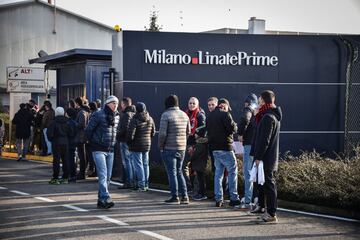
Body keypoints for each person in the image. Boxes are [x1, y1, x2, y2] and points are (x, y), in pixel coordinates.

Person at [252, 90, 282, 224]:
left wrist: (258, 157)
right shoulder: (268, 115)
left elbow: (265, 140)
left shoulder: (268, 117)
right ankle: (266, 210)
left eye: (259, 101)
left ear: (263, 101)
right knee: (264, 184)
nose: (257, 103)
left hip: (266, 158)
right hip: (267, 157)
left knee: (269, 184)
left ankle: (271, 213)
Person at [85, 95, 120, 209]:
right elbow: (89, 129)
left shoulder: (117, 116)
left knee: (108, 176)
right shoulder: (99, 114)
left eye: (117, 103)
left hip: (110, 149)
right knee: (103, 174)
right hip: (98, 148)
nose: (115, 105)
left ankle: (101, 200)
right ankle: (106, 197)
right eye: (113, 103)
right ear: (108, 103)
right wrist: (91, 141)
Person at [207, 98, 241, 207]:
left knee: (218, 174)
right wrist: (235, 125)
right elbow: (232, 129)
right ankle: (234, 198)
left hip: (214, 149)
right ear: (223, 105)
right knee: (232, 171)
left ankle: (218, 199)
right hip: (226, 147)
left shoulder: (210, 116)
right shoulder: (225, 114)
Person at [158, 95, 191, 205]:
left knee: (172, 173)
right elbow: (188, 131)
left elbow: (162, 134)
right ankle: (185, 196)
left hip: (169, 148)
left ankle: (175, 196)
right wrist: (183, 142)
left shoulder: (166, 115)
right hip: (181, 148)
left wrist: (161, 147)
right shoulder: (184, 115)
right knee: (179, 171)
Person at [127, 102, 155, 191]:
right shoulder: (150, 118)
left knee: (138, 165)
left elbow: (130, 134)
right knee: (145, 164)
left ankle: (141, 185)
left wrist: (129, 143)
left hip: (136, 145)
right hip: (147, 144)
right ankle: (146, 184)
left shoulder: (134, 119)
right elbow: (153, 132)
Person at [183, 97, 207, 200]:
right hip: (186, 144)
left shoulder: (200, 115)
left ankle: (197, 191)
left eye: (193, 103)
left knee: (197, 169)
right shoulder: (185, 114)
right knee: (184, 167)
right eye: (190, 103)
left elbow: (204, 127)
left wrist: (196, 134)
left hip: (196, 145)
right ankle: (189, 188)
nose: (191, 105)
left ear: (197, 104)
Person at [237, 93, 258, 209]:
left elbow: (245, 118)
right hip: (256, 145)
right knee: (257, 173)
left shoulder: (248, 109)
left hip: (249, 145)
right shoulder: (258, 112)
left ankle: (248, 200)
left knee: (248, 172)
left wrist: (240, 134)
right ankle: (257, 198)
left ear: (248, 102)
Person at [47, 107, 71, 184]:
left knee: (56, 160)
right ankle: (65, 177)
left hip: (56, 142)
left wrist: (52, 140)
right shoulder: (67, 121)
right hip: (66, 142)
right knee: (65, 160)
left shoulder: (53, 122)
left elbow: (49, 134)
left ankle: (55, 178)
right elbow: (71, 133)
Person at [117, 97, 136, 189]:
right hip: (131, 141)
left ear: (124, 104)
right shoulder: (134, 113)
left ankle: (129, 181)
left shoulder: (126, 115)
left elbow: (125, 129)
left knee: (127, 162)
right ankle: (131, 181)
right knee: (131, 161)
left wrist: (117, 134)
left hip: (125, 141)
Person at [74, 97, 90, 180]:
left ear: (77, 103)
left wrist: (74, 124)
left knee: (82, 155)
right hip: (82, 136)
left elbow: (82, 124)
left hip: (81, 137)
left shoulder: (82, 112)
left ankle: (82, 173)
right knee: (82, 155)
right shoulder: (85, 111)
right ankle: (82, 172)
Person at [66, 108, 78, 183]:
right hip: (74, 142)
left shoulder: (67, 123)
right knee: (73, 159)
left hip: (68, 143)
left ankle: (71, 175)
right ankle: (73, 175)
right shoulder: (75, 123)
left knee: (69, 160)